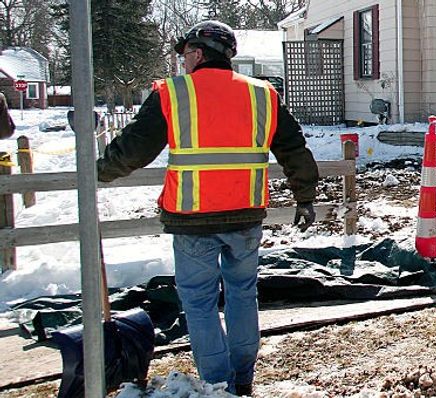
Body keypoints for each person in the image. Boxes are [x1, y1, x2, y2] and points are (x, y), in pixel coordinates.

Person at [96, 20, 318, 396]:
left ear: (198, 53)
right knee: (243, 294)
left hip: (192, 220)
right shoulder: (262, 94)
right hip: (246, 216)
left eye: (185, 55)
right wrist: (305, 197)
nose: (183, 62)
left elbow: (134, 149)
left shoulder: (172, 93)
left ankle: (218, 385)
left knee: (199, 303)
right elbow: (294, 148)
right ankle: (242, 379)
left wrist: (98, 172)